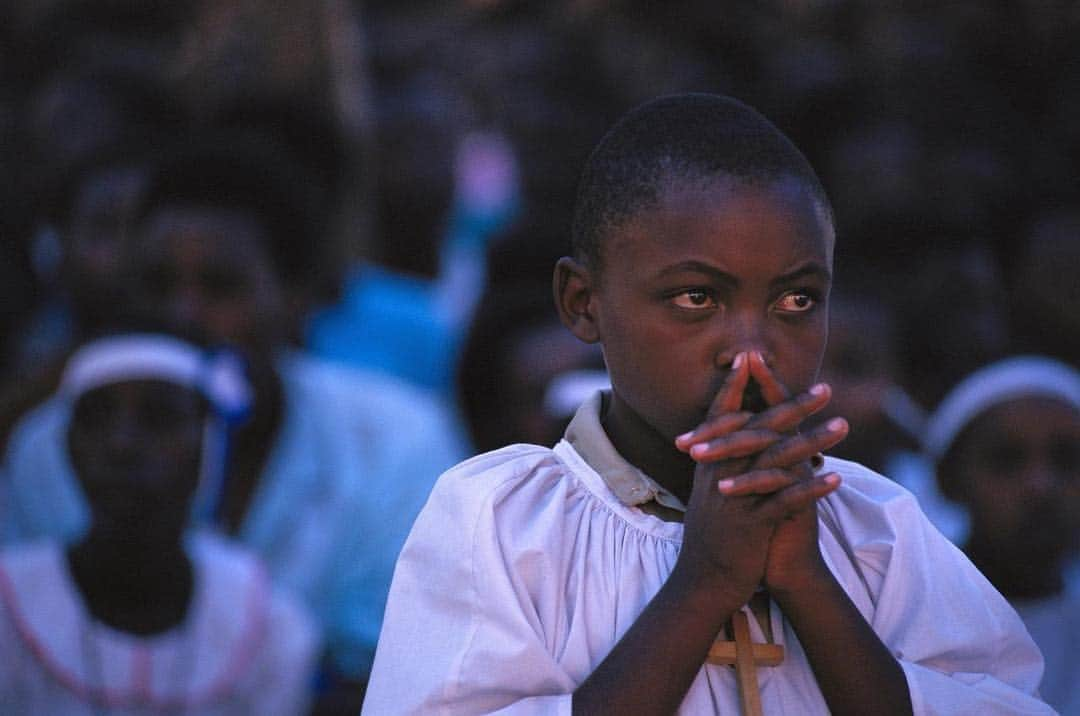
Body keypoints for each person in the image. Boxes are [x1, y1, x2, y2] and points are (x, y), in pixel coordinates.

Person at [363, 93, 1050, 714]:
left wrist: (808, 582)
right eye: (697, 298)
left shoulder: (877, 529)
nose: (751, 351)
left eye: (795, 301)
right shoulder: (504, 525)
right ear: (583, 303)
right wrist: (705, 584)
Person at [1, 135, 469, 705]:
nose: (183, 314)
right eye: (157, 284)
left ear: (298, 296)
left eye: (221, 287)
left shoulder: (395, 442)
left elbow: (394, 672)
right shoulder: (51, 448)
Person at [0, 332, 317, 714]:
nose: (122, 444)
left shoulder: (273, 627)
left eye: (159, 418)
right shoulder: (8, 604)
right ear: (65, 444)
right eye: (97, 418)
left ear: (208, 445)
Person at [925, 355, 1080, 715]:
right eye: (1007, 459)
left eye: (1067, 459)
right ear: (950, 480)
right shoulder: (902, 617)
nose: (1039, 486)